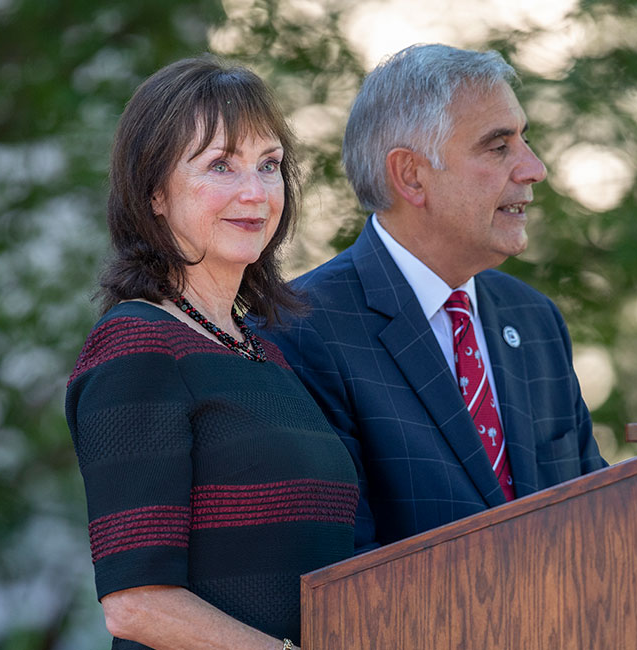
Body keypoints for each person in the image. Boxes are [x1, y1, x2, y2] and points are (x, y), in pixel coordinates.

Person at [259, 44, 606, 551]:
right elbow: (336, 573)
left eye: (524, 140)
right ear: (411, 176)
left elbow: (598, 516)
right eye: (498, 146)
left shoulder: (534, 319)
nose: (534, 168)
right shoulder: (302, 329)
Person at [65, 56, 356, 650]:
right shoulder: (138, 346)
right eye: (220, 165)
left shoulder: (262, 353)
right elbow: (136, 604)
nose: (254, 192)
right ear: (154, 194)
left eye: (269, 165)